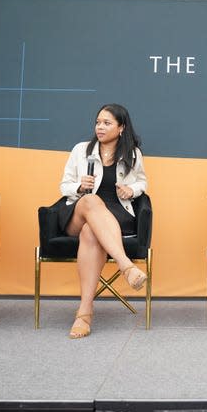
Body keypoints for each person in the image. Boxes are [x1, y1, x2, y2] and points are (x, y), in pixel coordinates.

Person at [58, 103, 148, 339]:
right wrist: (79, 186)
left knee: (91, 232)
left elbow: (142, 182)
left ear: (121, 128)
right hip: (79, 210)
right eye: (98, 122)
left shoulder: (132, 154)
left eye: (107, 123)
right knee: (91, 202)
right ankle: (125, 265)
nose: (100, 127)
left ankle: (84, 314)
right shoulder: (81, 150)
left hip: (117, 214)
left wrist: (132, 190)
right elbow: (64, 185)